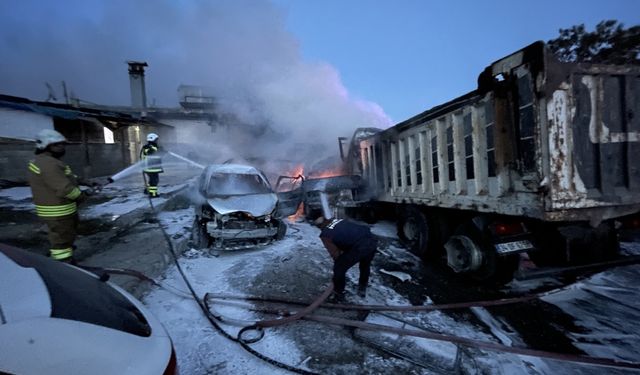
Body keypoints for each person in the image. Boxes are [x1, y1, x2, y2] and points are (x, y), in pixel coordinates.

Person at [27, 129, 84, 263]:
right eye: (58, 145)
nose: (62, 147)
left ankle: (63, 250)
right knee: (61, 238)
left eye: (63, 144)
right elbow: (64, 188)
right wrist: (81, 195)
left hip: (57, 209)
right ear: (46, 146)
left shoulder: (46, 161)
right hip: (58, 210)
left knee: (64, 235)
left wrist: (83, 181)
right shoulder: (48, 164)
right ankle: (64, 263)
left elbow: (63, 177)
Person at [314, 216, 378, 300]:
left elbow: (335, 254)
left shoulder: (325, 235)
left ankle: (339, 294)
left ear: (320, 226)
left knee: (339, 268)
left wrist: (340, 261)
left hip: (359, 247)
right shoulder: (339, 220)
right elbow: (347, 234)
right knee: (365, 265)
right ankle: (362, 288)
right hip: (371, 240)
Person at [140, 133, 163, 198]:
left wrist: (162, 151)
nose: (157, 141)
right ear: (152, 139)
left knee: (153, 180)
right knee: (154, 181)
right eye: (156, 139)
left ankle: (147, 190)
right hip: (149, 168)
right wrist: (158, 150)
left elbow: (157, 154)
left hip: (153, 167)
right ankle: (153, 194)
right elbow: (150, 152)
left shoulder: (154, 147)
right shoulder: (147, 147)